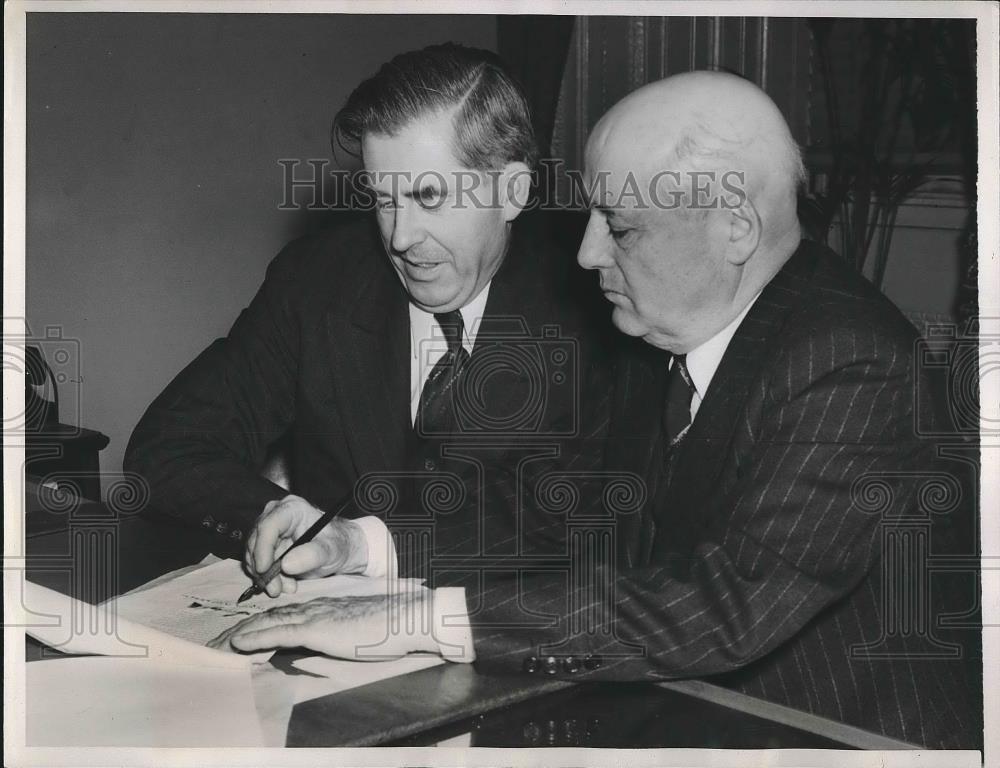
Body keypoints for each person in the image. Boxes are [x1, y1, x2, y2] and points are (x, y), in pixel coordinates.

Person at [207, 70, 980, 748]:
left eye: (620, 224)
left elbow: (722, 604)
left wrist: (415, 622)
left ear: (736, 224)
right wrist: (363, 548)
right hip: (694, 715)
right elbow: (566, 517)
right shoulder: (668, 329)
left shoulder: (851, 361)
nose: (585, 254)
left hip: (847, 736)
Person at [126, 43, 612, 659]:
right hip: (318, 675)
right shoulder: (318, 281)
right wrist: (275, 516)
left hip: (515, 657)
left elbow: (583, 520)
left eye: (429, 197)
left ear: (512, 192)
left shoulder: (600, 298)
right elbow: (168, 444)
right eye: (384, 200)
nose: (401, 238)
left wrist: (362, 544)